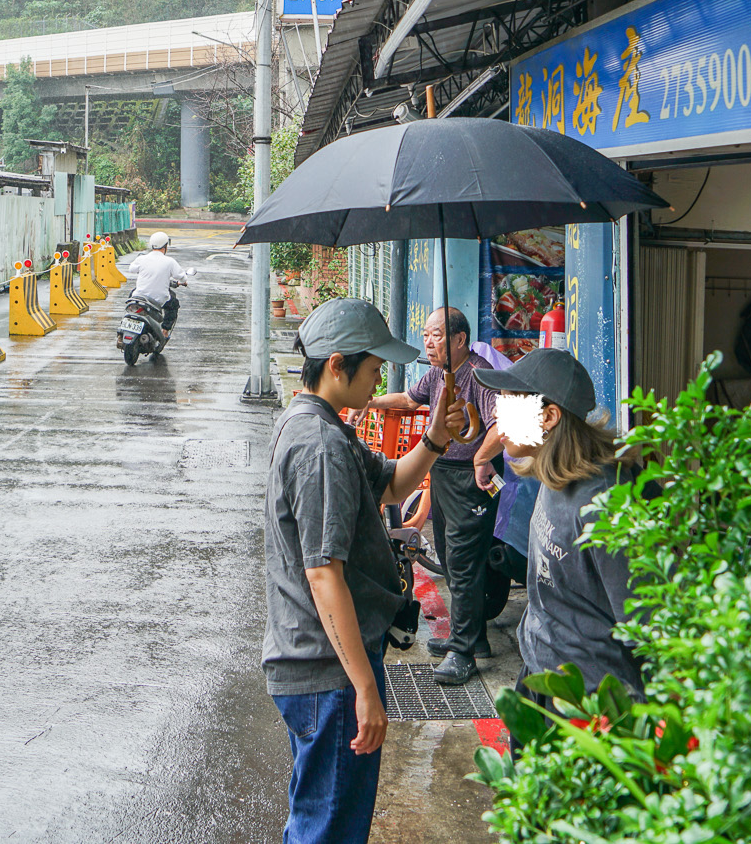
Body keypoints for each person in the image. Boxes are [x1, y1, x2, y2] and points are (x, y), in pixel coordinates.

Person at [265, 298, 467, 844]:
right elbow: (323, 573)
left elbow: (392, 486)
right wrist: (364, 690)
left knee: (321, 818)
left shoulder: (323, 425)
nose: (380, 378)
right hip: (328, 672)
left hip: (324, 666)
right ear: (337, 365)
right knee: (328, 830)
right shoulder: (320, 444)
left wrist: (436, 439)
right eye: (374, 367)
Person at [472, 347, 644, 699]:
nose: (495, 413)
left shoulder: (608, 504)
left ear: (549, 416)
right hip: (539, 674)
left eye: (509, 402)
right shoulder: (553, 473)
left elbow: (645, 625)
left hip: (590, 705)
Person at [370, 306, 500, 686]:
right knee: (446, 553)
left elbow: (501, 423)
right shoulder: (437, 375)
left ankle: (464, 652)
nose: (429, 341)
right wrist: (372, 402)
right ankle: (473, 637)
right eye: (426, 334)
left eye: (438, 335)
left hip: (470, 481)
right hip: (442, 471)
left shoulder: (479, 375)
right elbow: (411, 401)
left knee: (462, 562)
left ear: (460, 339)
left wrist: (481, 457)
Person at [120, 231, 189, 330]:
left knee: (131, 298)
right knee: (174, 304)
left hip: (140, 296)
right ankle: (165, 330)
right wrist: (184, 280)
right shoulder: (170, 262)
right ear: (165, 246)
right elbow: (181, 276)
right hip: (159, 299)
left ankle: (126, 323)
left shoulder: (142, 259)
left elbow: (131, 269)